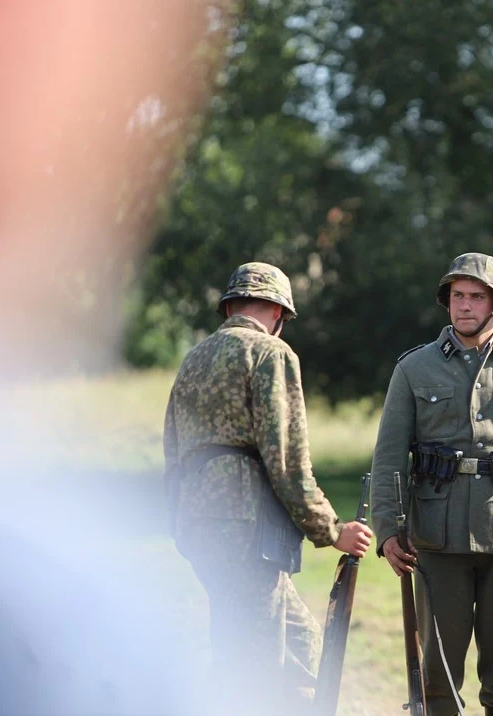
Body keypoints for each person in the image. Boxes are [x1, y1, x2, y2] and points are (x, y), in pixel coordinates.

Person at [163, 262, 372, 713]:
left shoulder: (193, 358)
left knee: (297, 642)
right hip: (247, 527)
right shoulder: (271, 354)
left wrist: (181, 521)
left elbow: (172, 451)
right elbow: (287, 457)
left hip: (198, 523)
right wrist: (331, 528)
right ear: (278, 314)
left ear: (231, 306)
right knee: (252, 665)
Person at [370, 253, 493, 716]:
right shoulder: (414, 369)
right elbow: (390, 454)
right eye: (458, 296)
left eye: (477, 296)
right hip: (437, 537)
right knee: (437, 681)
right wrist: (387, 529)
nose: (465, 306)